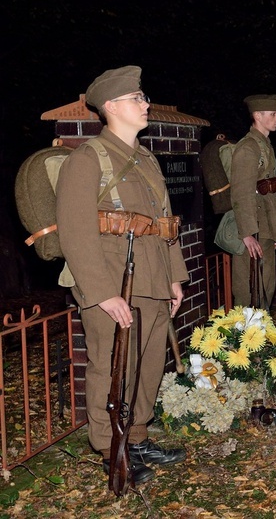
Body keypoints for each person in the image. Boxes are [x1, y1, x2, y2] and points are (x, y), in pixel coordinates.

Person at [56, 65, 189, 485]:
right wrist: (100, 293)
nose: (146, 104)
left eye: (143, 97)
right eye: (138, 99)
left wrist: (174, 277)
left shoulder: (147, 158)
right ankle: (110, 448)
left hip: (150, 277)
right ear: (112, 106)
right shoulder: (86, 159)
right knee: (112, 366)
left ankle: (136, 436)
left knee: (149, 363)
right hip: (113, 280)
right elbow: (75, 233)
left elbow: (165, 224)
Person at [230, 94, 276, 309]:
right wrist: (247, 234)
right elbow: (242, 193)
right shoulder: (248, 148)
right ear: (258, 116)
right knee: (249, 290)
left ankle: (262, 336)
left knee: (266, 286)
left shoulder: (264, 145)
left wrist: (275, 230)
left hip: (265, 227)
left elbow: (268, 193)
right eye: (273, 114)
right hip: (254, 230)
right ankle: (246, 339)